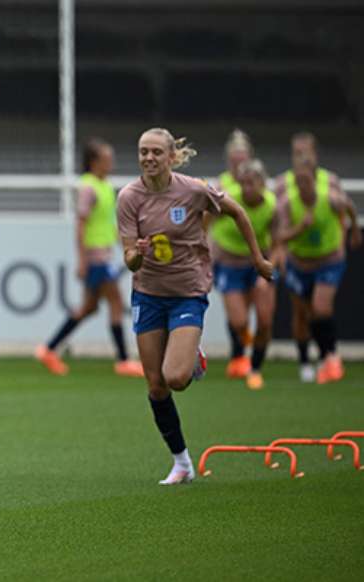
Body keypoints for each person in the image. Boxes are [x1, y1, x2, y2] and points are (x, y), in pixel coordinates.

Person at [118, 128, 273, 485]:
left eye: (156, 152)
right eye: (143, 152)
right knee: (156, 385)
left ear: (171, 156)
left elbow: (236, 212)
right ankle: (182, 462)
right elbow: (128, 258)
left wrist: (258, 259)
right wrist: (136, 255)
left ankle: (191, 357)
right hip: (147, 294)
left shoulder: (193, 190)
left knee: (177, 378)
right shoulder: (128, 197)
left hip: (187, 291)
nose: (149, 158)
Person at [35, 138, 143, 378]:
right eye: (107, 159)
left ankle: (49, 349)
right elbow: (81, 224)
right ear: (94, 162)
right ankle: (124, 360)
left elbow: (105, 223)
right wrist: (82, 259)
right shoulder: (88, 188)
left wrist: (123, 243)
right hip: (95, 256)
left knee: (89, 307)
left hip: (103, 252)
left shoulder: (104, 186)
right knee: (114, 302)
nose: (111, 163)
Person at [274, 132, 357, 382]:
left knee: (321, 309)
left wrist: (352, 233)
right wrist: (298, 231)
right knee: (302, 313)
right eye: (296, 152)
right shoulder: (286, 195)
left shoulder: (329, 189)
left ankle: (329, 357)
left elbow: (348, 207)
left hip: (328, 259)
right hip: (299, 262)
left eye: (305, 152)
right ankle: (304, 361)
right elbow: (280, 235)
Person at [208, 159, 281, 390]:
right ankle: (245, 347)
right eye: (244, 183)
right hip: (229, 262)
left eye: (253, 183)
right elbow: (205, 221)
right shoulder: (229, 198)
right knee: (239, 321)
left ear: (262, 183)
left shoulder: (271, 205)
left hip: (258, 263)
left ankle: (255, 368)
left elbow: (279, 245)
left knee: (265, 320)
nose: (248, 188)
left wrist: (266, 270)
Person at [211, 129, 256, 376]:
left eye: (243, 159)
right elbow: (208, 218)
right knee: (237, 316)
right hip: (227, 257)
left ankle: (242, 354)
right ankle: (240, 351)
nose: (239, 164)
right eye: (235, 159)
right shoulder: (222, 184)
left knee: (247, 311)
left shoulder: (258, 184)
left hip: (251, 258)